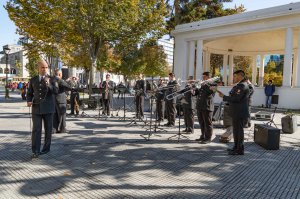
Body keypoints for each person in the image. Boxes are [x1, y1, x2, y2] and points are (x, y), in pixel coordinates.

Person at [26, 59, 58, 158]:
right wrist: (29, 100)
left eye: (46, 67)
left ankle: (46, 149)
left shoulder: (52, 79)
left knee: (48, 129)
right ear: (38, 68)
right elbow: (29, 93)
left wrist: (49, 84)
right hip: (36, 108)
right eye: (42, 67)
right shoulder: (33, 79)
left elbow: (56, 91)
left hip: (49, 108)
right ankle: (35, 150)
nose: (44, 69)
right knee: (36, 129)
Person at [218, 70, 250, 155]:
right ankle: (236, 147)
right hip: (236, 112)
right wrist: (224, 96)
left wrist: (224, 97)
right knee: (236, 131)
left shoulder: (242, 85)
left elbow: (237, 99)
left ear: (240, 76)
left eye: (235, 76)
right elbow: (234, 96)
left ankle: (239, 149)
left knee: (239, 131)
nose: (234, 78)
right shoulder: (239, 85)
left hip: (239, 112)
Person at [194, 72, 217, 144]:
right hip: (200, 105)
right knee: (201, 122)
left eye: (204, 76)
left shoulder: (213, 83)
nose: (202, 78)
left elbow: (211, 92)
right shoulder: (203, 84)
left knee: (208, 123)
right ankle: (203, 136)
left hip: (207, 106)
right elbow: (198, 93)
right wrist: (195, 89)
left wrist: (205, 84)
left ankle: (208, 138)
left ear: (208, 77)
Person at [53, 69, 72, 134]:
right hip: (61, 100)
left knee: (55, 116)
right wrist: (67, 81)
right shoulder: (59, 80)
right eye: (61, 74)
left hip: (54, 100)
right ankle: (63, 129)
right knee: (62, 115)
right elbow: (68, 86)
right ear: (59, 74)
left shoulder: (52, 79)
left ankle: (54, 129)